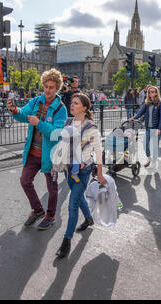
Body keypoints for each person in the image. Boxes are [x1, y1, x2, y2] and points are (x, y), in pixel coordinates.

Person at [7, 69, 68, 230]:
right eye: (46, 86)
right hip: (33, 152)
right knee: (25, 181)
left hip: (50, 155)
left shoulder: (60, 108)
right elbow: (23, 115)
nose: (48, 90)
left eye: (52, 87)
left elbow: (56, 133)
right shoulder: (35, 101)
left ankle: (51, 215)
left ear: (57, 89)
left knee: (52, 187)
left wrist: (39, 123)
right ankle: (38, 210)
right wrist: (14, 110)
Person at [53, 93, 107, 259]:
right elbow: (63, 143)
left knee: (72, 204)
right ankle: (89, 219)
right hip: (69, 169)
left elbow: (97, 150)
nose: (72, 105)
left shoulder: (90, 126)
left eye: (76, 103)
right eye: (72, 102)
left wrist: (99, 172)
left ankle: (66, 242)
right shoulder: (68, 121)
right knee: (78, 198)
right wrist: (55, 164)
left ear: (84, 107)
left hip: (83, 171)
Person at [129, 86, 161, 168]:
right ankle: (149, 159)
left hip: (156, 129)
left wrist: (159, 129)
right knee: (145, 145)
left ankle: (154, 162)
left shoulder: (160, 104)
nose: (150, 93)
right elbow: (140, 113)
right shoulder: (147, 104)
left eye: (152, 92)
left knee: (154, 147)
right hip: (148, 128)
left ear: (156, 93)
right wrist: (133, 118)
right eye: (149, 92)